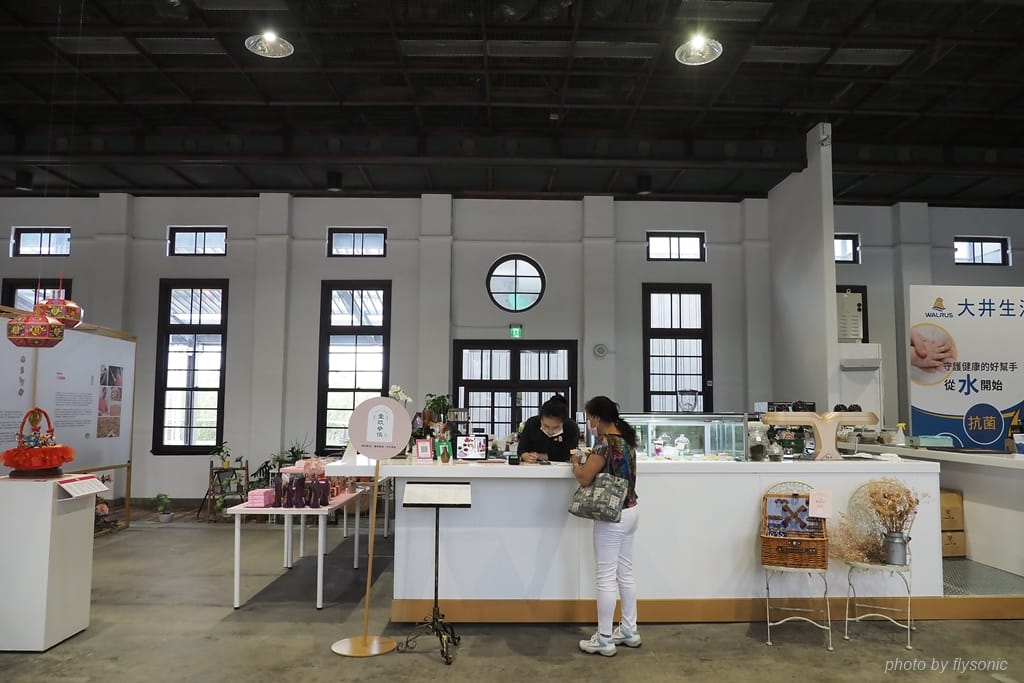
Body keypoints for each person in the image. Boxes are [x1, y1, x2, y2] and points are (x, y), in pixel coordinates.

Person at [573, 395, 640, 657]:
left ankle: (604, 638)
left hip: (612, 516)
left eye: (589, 417)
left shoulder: (604, 445)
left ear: (597, 417)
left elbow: (584, 478)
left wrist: (576, 462)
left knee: (605, 578)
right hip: (631, 510)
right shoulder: (626, 441)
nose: (589, 422)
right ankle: (629, 630)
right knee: (625, 573)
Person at [517, 395, 580, 463]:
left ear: (563, 422)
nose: (550, 431)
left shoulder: (571, 427)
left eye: (555, 427)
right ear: (540, 419)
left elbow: (570, 454)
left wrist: (539, 456)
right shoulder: (532, 423)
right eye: (545, 426)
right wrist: (525, 456)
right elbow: (521, 450)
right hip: (533, 466)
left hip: (562, 467)